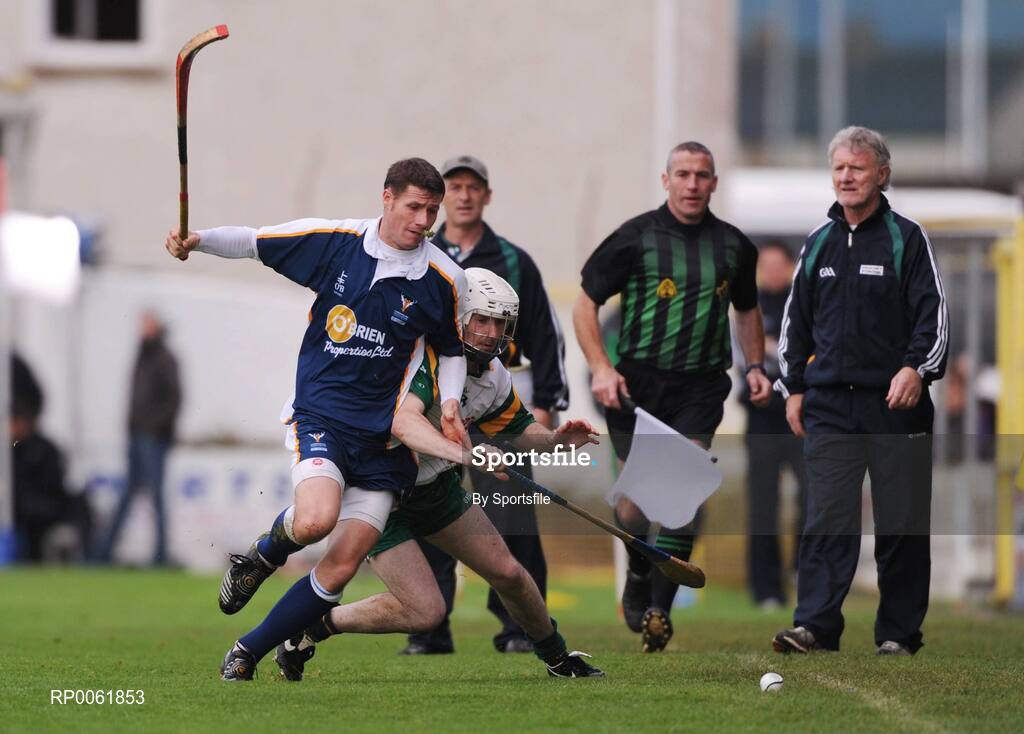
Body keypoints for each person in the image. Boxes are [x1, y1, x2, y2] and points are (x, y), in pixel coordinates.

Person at [163, 158, 469, 678]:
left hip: (384, 445)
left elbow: (452, 351)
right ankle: (261, 557)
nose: (423, 220)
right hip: (323, 414)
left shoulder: (444, 278)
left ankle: (247, 652)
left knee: (341, 568)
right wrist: (198, 240)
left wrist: (450, 404)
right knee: (315, 521)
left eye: (432, 212)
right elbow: (257, 242)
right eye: (414, 207)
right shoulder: (337, 242)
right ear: (388, 197)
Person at [272, 268, 603, 680]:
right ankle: (309, 620)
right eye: (481, 319)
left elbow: (518, 429)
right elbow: (405, 424)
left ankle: (558, 658)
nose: (490, 331)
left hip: (435, 490)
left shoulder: (495, 375)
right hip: (381, 491)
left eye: (499, 322)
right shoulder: (422, 354)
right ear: (459, 316)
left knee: (510, 574)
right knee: (426, 611)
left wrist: (555, 439)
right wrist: (470, 456)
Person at [574, 141, 772, 652]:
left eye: (701, 175)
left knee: (683, 488)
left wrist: (755, 365)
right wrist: (600, 367)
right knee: (636, 505)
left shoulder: (734, 247)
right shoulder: (635, 237)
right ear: (666, 181)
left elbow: (747, 310)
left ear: (714, 183)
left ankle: (659, 607)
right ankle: (639, 566)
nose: (691, 184)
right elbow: (585, 304)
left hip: (700, 386)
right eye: (682, 174)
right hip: (635, 385)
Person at [771, 126, 948, 656]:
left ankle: (897, 633)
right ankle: (816, 628)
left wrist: (918, 370)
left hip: (898, 408)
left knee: (901, 524)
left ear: (882, 175)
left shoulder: (907, 238)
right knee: (826, 518)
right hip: (829, 407)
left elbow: (933, 317)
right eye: (839, 168)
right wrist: (794, 389)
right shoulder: (818, 243)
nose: (846, 176)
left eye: (858, 167)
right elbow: (793, 325)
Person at [404, 155, 569, 655]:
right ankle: (430, 629)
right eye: (455, 186)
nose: (464, 194)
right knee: (431, 506)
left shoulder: (514, 259)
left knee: (510, 512)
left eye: (474, 186)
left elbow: (547, 334)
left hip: (499, 396)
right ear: (443, 196)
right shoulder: (423, 254)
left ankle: (518, 626)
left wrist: (549, 405)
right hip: (432, 399)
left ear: (486, 195)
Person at [741, 242, 807, 609]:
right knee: (762, 507)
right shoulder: (749, 306)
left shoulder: (802, 304)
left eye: (777, 264)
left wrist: (769, 348)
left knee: (812, 498)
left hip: (801, 416)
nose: (771, 270)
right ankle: (766, 589)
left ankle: (802, 569)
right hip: (761, 418)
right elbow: (743, 353)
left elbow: (811, 352)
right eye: (764, 265)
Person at [98, 311, 182, 566]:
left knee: (154, 496)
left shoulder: (163, 357)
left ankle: (160, 555)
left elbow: (174, 399)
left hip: (151, 437)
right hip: (137, 436)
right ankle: (103, 553)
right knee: (130, 495)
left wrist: (153, 427)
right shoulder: (145, 355)